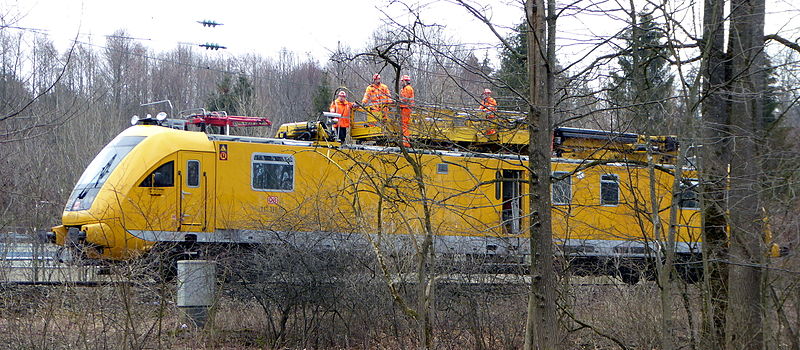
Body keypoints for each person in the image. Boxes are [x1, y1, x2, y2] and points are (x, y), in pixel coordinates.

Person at [398, 75, 415, 147]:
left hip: (406, 108)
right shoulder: (405, 88)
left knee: (404, 125)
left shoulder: (408, 88)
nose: (401, 83)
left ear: (405, 81)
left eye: (402, 81)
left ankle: (406, 143)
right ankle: (404, 142)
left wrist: (397, 101)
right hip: (404, 108)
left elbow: (405, 99)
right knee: (403, 125)